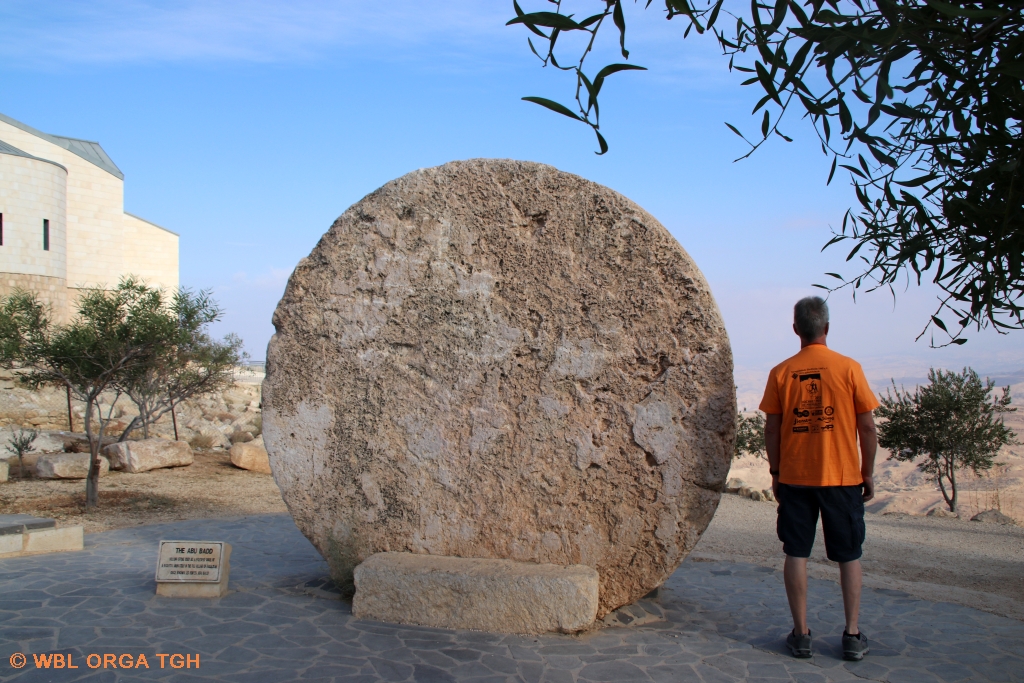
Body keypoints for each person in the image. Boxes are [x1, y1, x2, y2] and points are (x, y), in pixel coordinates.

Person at [759, 296, 878, 661]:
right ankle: (853, 634)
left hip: (796, 477)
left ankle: (801, 633)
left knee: (796, 552)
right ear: (827, 327)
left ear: (796, 329)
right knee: (849, 556)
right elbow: (868, 428)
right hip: (842, 478)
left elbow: (772, 429)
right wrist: (867, 473)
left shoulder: (781, 372)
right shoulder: (849, 368)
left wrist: (776, 472)